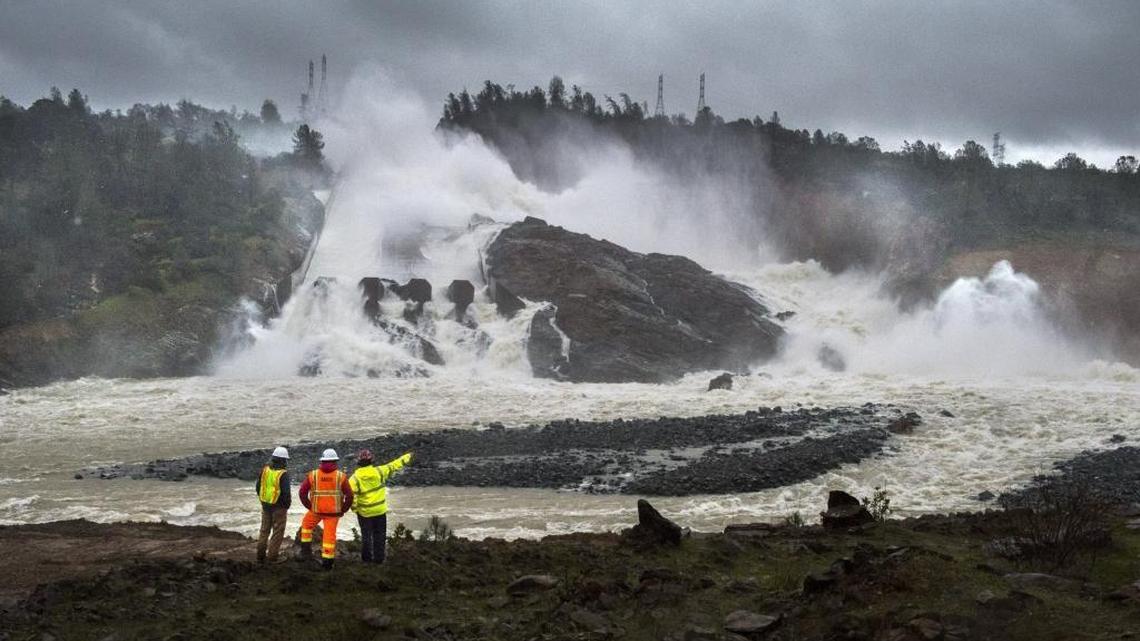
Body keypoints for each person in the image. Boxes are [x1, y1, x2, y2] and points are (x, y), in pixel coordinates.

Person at [349, 449, 413, 564]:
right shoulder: (379, 471)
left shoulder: (354, 479)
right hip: (380, 511)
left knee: (366, 536)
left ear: (359, 462)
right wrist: (408, 456)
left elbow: (351, 497)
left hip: (364, 513)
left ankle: (366, 560)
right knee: (380, 535)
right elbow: (394, 465)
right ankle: (379, 560)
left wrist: (355, 508)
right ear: (371, 460)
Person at [298, 448, 354, 570]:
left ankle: (305, 552)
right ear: (335, 461)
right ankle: (327, 564)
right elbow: (350, 495)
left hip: (316, 511)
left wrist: (310, 506)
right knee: (329, 537)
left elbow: (302, 492)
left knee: (306, 526)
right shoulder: (341, 476)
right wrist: (343, 509)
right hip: (333, 514)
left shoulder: (313, 475)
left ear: (322, 461)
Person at [254, 446, 291, 563]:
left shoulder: (265, 470)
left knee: (264, 531)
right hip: (279, 507)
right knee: (277, 532)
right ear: (283, 460)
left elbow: (258, 487)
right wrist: (286, 505)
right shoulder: (283, 474)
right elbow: (286, 492)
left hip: (266, 505)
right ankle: (272, 558)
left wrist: (263, 501)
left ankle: (260, 557)